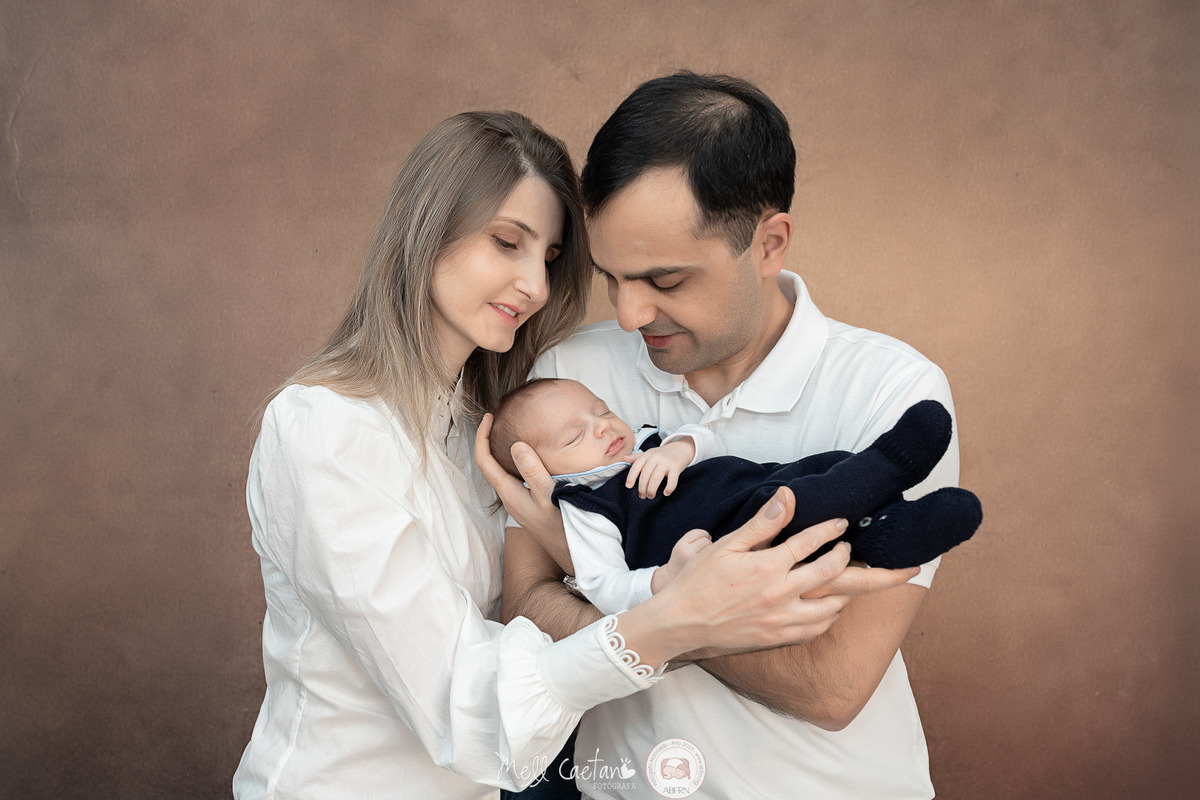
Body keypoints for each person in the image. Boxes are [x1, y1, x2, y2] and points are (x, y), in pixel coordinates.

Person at [232, 110, 915, 800]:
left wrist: (627, 585)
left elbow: (536, 616)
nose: (535, 285)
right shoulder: (326, 428)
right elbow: (465, 706)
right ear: (424, 225)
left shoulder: (495, 426)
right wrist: (675, 618)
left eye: (550, 258)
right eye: (507, 243)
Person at [477, 73, 961, 799]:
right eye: (612, 277)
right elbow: (526, 612)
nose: (630, 316)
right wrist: (690, 616)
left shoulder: (894, 393)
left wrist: (622, 593)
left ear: (769, 244)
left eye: (665, 280)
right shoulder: (568, 381)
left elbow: (831, 685)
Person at [486, 377, 980, 615]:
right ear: (542, 474)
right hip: (739, 529)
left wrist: (680, 448)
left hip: (756, 482)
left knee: (823, 469)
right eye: (575, 437)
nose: (602, 427)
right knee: (800, 504)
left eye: (601, 411)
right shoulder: (586, 510)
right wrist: (662, 581)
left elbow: (708, 440)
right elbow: (604, 586)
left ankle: (889, 534)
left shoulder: (645, 443)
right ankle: (890, 463)